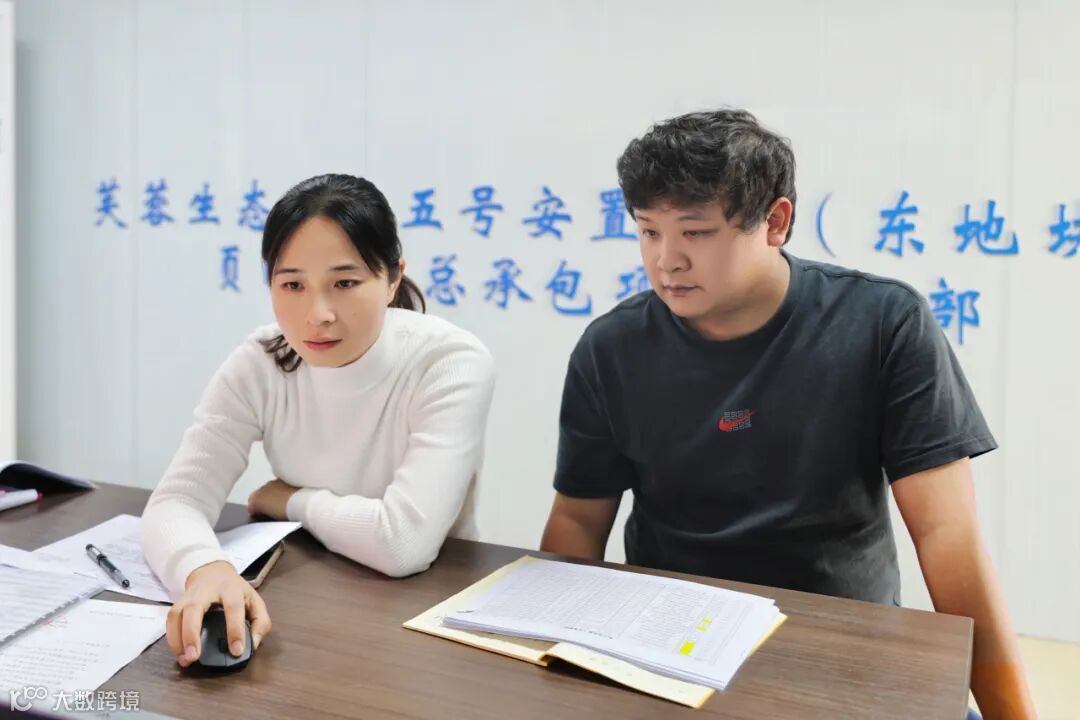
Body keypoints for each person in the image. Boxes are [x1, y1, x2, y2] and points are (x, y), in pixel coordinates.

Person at [539, 110, 1034, 719]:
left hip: (843, 645)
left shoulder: (883, 324)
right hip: (673, 652)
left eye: (696, 232)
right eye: (648, 231)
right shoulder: (612, 347)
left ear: (775, 222)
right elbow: (577, 521)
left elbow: (947, 536)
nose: (667, 260)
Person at [142, 173, 495, 670]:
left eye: (345, 283)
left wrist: (292, 500)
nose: (318, 314)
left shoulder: (449, 362)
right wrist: (205, 569)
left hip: (429, 620)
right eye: (292, 284)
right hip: (305, 608)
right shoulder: (261, 361)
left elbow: (403, 544)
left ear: (393, 278)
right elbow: (176, 501)